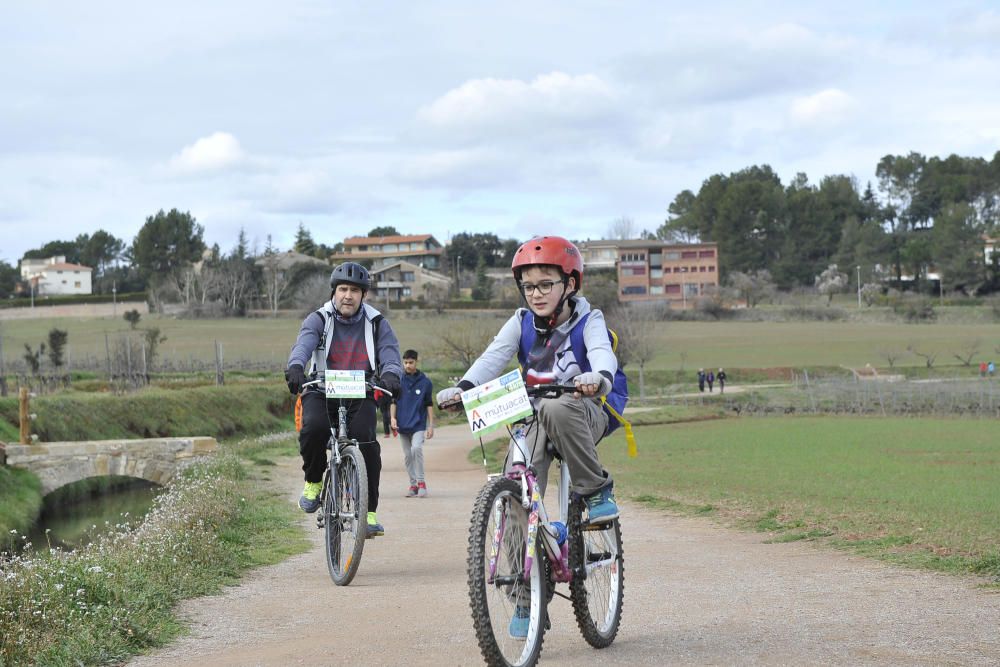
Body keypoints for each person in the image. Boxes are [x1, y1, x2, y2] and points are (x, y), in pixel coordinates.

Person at [437, 236, 620, 638]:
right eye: (529, 286)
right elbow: (494, 356)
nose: (536, 294)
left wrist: (599, 378)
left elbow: (602, 352)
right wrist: (465, 387)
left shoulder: (590, 318)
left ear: (569, 284)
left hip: (583, 409)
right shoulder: (520, 321)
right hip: (535, 414)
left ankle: (595, 490)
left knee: (556, 407)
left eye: (546, 284)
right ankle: (526, 594)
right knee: (516, 485)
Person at [285, 262, 402, 537]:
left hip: (359, 391)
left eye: (354, 290)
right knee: (312, 429)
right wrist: (295, 367)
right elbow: (303, 344)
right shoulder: (318, 319)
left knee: (369, 445)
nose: (347, 295)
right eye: (343, 289)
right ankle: (313, 480)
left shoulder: (377, 323)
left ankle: (369, 512)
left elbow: (389, 354)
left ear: (364, 295)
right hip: (321, 388)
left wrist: (392, 376)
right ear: (334, 292)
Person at [390, 349, 434, 498]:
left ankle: (421, 482)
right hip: (402, 425)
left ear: (416, 362)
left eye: (411, 362)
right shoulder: (399, 381)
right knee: (408, 456)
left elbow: (429, 404)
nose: (408, 365)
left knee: (416, 449)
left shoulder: (425, 382)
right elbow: (393, 402)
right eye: (406, 362)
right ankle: (413, 484)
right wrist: (392, 418)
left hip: (418, 424)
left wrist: (430, 425)